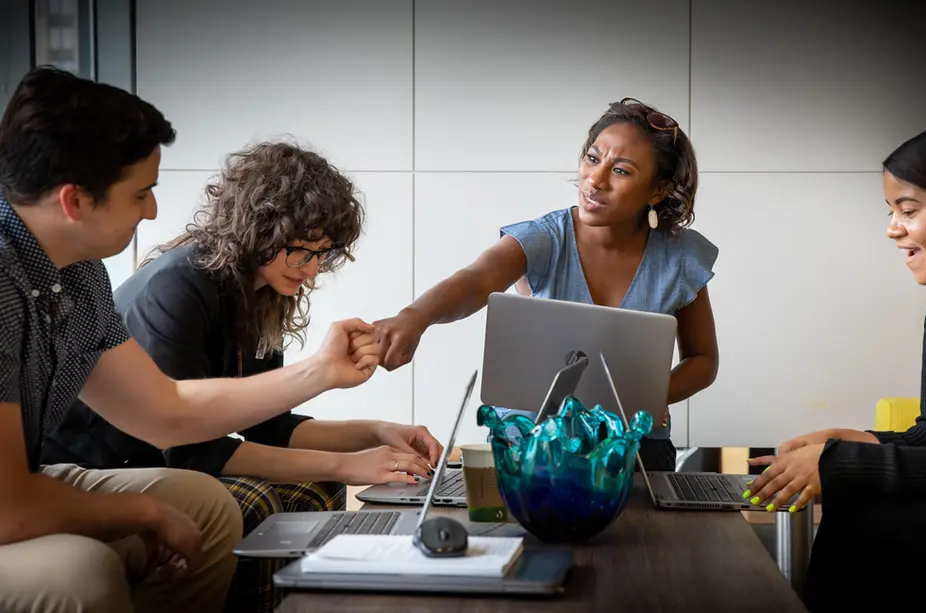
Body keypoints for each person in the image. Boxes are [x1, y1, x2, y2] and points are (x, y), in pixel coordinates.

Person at [0, 67, 384, 613]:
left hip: (47, 475)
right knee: (82, 574)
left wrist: (341, 398)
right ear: (75, 201)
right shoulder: (13, 282)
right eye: (141, 193)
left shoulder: (80, 275)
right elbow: (10, 504)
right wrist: (144, 512)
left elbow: (166, 408)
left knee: (207, 505)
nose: (153, 210)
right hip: (33, 486)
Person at [41, 140, 444, 613]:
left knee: (315, 489)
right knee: (252, 500)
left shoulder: (261, 292)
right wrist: (348, 465)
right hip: (102, 462)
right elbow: (192, 451)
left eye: (323, 254)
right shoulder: (178, 285)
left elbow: (270, 425)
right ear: (260, 231)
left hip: (166, 455)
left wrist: (375, 433)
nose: (312, 271)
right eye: (301, 253)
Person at [372, 97, 720, 471]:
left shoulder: (680, 257)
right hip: (531, 447)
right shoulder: (544, 238)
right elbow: (475, 280)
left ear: (657, 191)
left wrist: (646, 398)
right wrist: (414, 317)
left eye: (620, 170)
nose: (595, 179)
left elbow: (703, 360)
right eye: (592, 158)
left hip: (633, 451)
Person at [744, 122, 926, 612]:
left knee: (866, 518)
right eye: (892, 211)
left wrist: (838, 463)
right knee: (856, 505)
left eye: (908, 211)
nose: (893, 228)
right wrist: (847, 439)